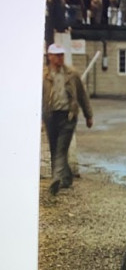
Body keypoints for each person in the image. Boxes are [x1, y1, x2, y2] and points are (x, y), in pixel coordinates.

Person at [42, 43, 93, 195]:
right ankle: (66, 177)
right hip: (51, 116)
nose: (60, 58)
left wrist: (88, 115)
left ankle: (55, 179)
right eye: (57, 55)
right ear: (50, 56)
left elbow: (83, 96)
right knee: (54, 147)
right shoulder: (43, 76)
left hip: (68, 116)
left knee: (61, 148)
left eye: (62, 55)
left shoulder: (72, 74)